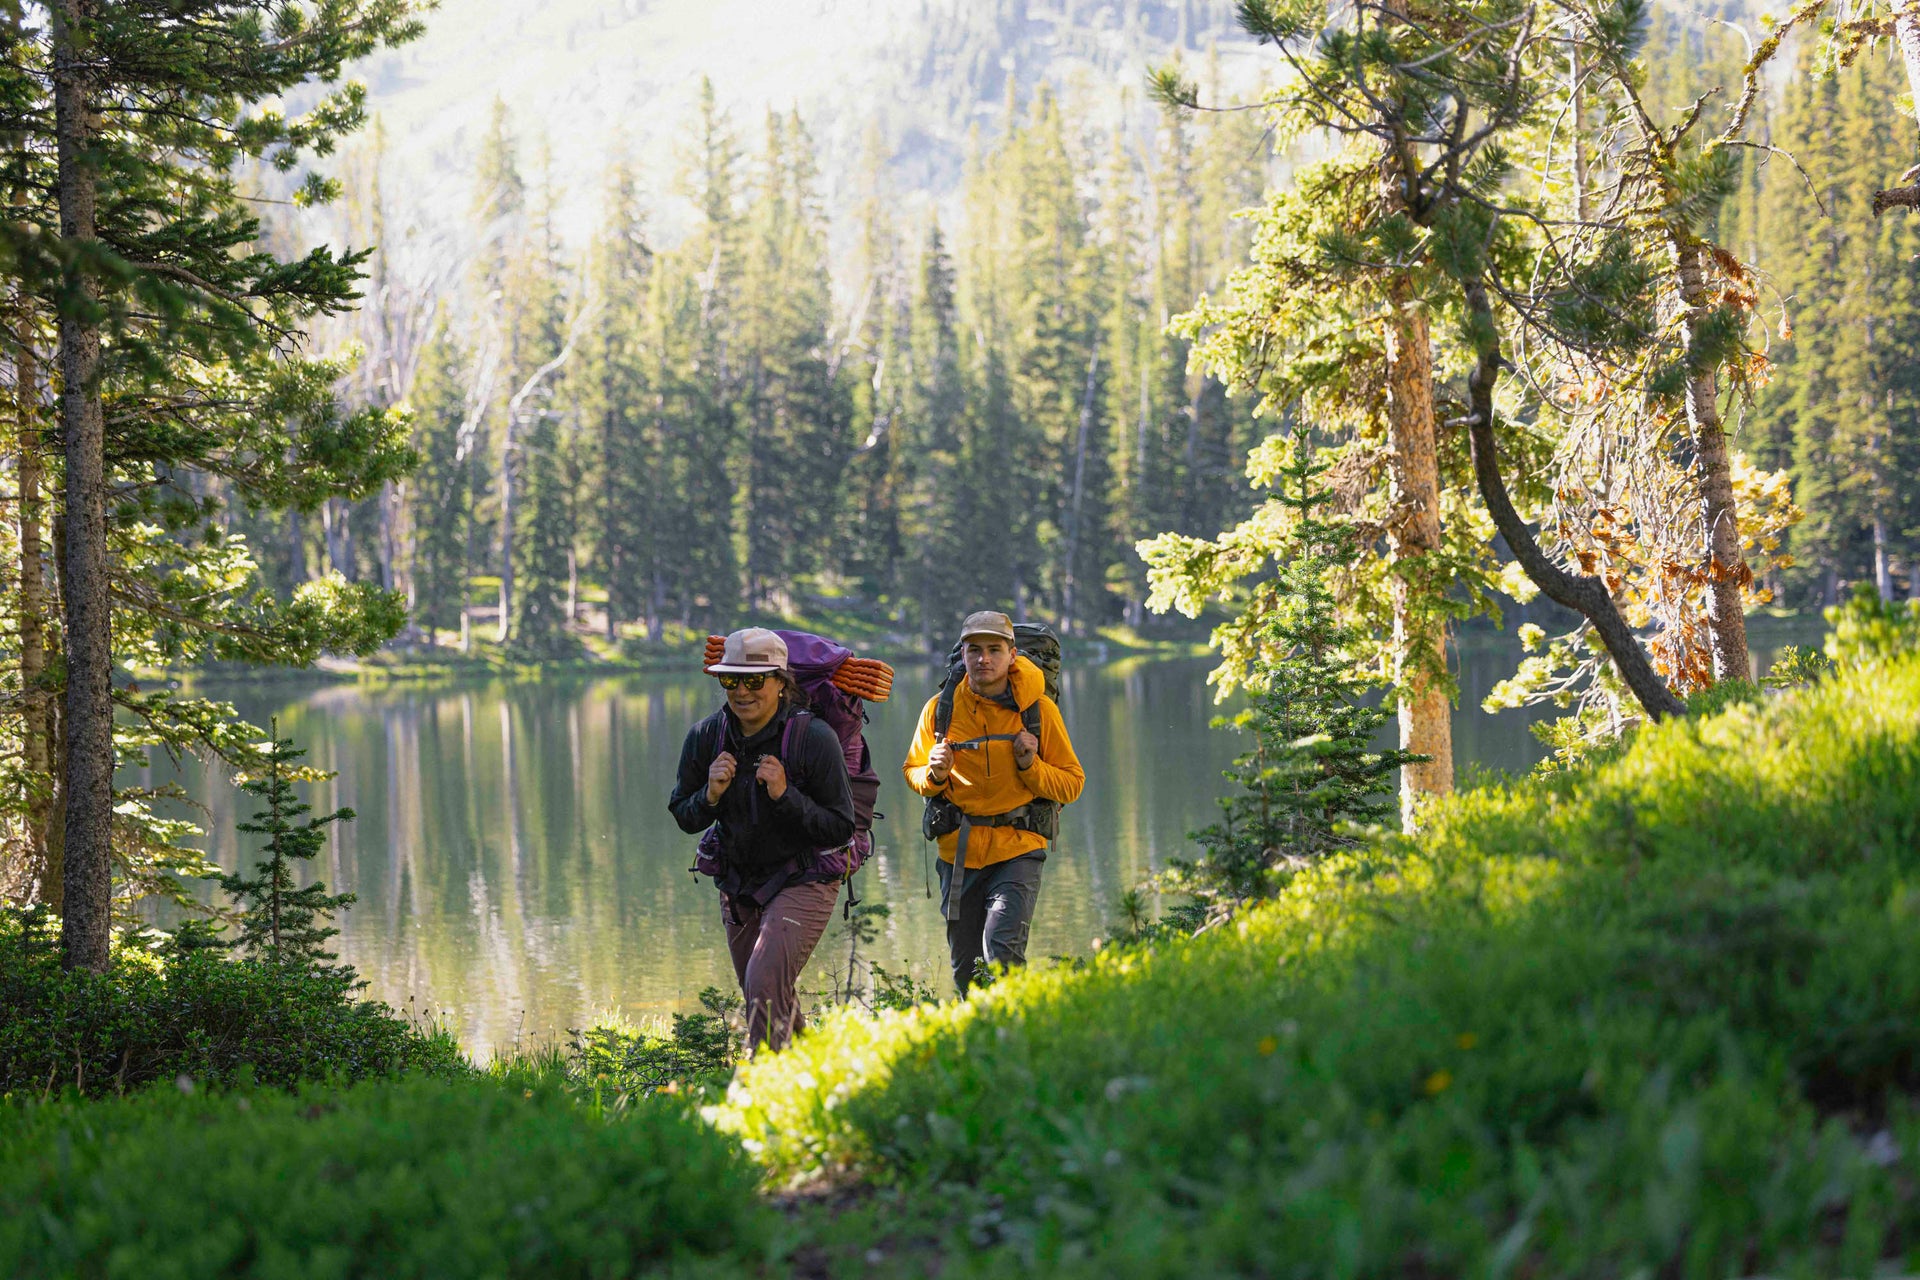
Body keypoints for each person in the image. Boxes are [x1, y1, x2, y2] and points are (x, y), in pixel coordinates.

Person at [668, 627, 855, 1052]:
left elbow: (841, 825)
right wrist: (710, 795)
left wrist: (786, 796)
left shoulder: (813, 737)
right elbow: (683, 814)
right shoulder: (706, 737)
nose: (741, 691)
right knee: (768, 995)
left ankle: (763, 1094)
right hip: (739, 884)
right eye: (730, 679)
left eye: (754, 680)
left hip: (805, 877)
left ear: (780, 681)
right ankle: (818, 1073)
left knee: (764, 981)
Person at [903, 611, 1085, 994]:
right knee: (965, 970)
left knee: (1002, 954)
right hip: (957, 855)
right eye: (974, 650)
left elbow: (1071, 785)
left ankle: (1013, 1039)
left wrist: (1029, 766)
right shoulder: (940, 709)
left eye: (993, 650)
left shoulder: (1039, 711)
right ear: (963, 654)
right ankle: (978, 1046)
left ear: (1012, 654)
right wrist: (934, 775)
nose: (983, 659)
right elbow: (912, 774)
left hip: (1018, 850)